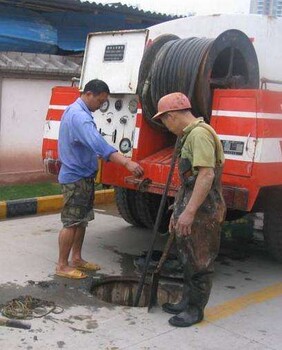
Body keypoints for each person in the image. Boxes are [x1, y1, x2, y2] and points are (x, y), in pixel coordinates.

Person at [56, 79, 144, 279]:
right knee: (71, 222)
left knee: (82, 220)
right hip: (75, 178)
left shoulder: (78, 112)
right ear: (88, 94)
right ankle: (62, 265)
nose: (101, 106)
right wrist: (127, 163)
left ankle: (76, 258)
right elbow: (99, 145)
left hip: (84, 176)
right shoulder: (80, 117)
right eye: (100, 101)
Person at [152, 92, 226, 327]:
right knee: (187, 256)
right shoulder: (189, 135)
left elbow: (206, 175)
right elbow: (189, 180)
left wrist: (190, 211)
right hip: (192, 201)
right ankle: (187, 300)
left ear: (171, 116)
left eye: (164, 120)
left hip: (204, 208)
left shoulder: (200, 135)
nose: (165, 125)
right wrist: (179, 209)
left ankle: (195, 310)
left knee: (200, 260)